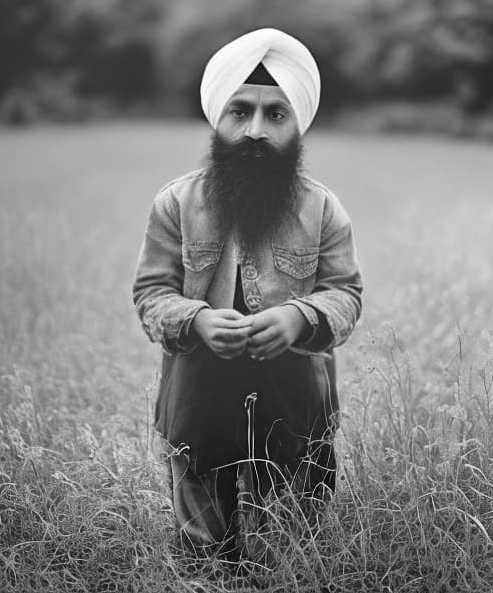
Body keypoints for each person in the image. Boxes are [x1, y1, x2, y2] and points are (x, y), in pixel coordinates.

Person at [132, 28, 363, 559]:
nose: (256, 130)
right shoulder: (176, 204)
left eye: (275, 115)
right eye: (240, 112)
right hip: (198, 393)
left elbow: (346, 294)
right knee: (203, 545)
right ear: (218, 118)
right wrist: (196, 320)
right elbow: (151, 292)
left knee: (288, 544)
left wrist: (300, 318)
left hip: (294, 397)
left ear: (297, 126)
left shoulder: (323, 209)